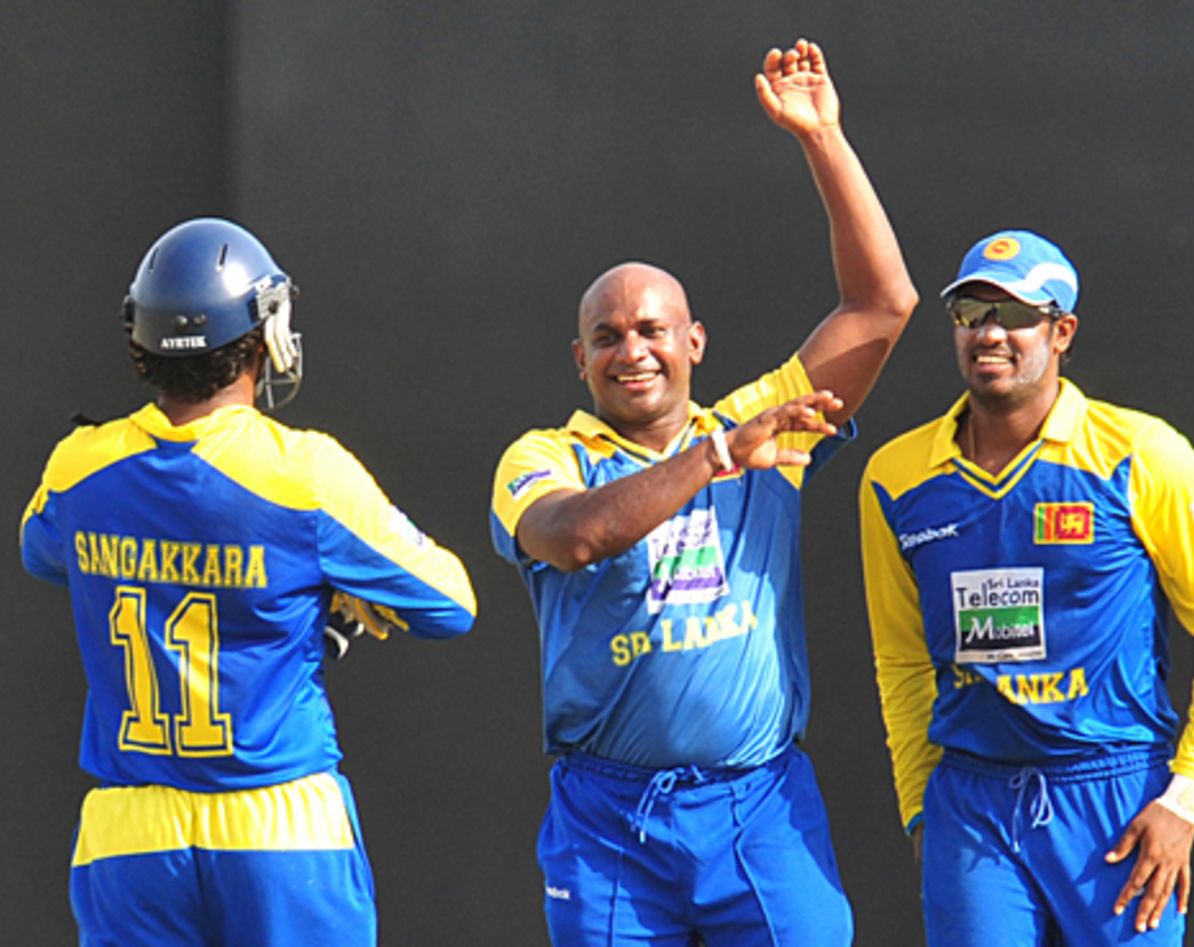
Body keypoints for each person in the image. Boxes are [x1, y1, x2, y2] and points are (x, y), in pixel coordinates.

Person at [490, 39, 916, 946]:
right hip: (609, 817)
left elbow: (882, 306)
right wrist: (718, 453)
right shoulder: (547, 453)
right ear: (579, 359)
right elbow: (577, 535)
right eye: (607, 336)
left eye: (653, 329)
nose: (631, 350)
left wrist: (823, 138)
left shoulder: (763, 423)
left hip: (756, 803)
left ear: (694, 342)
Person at [19, 217, 477, 946]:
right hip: (279, 824)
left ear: (141, 341)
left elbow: (43, 553)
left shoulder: (80, 463)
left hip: (129, 830)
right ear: (265, 335)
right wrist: (328, 592)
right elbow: (451, 603)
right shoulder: (304, 472)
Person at [858, 229, 1194, 945]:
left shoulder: (1141, 453)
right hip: (972, 805)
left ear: (1062, 331)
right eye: (971, 312)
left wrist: (1185, 800)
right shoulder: (895, 477)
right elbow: (901, 658)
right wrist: (922, 809)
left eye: (1015, 314)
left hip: (1115, 799)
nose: (989, 333)